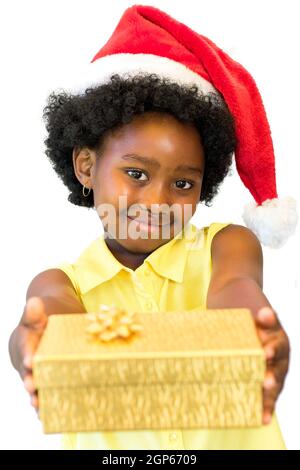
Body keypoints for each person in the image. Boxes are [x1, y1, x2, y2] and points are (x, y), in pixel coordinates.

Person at [9, 4, 297, 450]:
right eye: (137, 174)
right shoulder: (63, 283)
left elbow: (235, 290)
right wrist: (38, 345)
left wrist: (253, 327)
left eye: (183, 183)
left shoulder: (226, 246)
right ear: (86, 166)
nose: (158, 201)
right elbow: (50, 317)